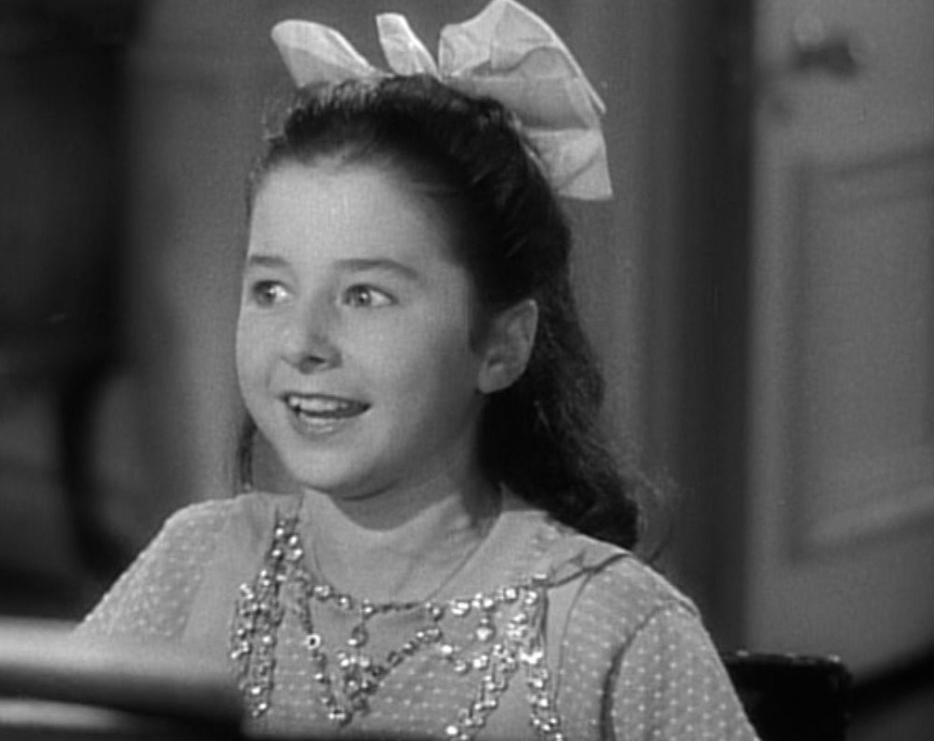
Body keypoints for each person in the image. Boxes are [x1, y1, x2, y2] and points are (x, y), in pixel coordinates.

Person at [80, 1, 759, 739]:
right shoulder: (197, 562)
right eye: (271, 290)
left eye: (365, 296)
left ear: (501, 345)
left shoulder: (615, 631)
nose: (302, 342)